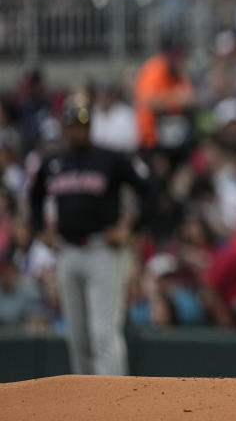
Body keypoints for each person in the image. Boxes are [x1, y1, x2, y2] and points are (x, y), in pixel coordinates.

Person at [28, 95, 153, 375]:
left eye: (83, 124)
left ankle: (114, 406)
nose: (77, 130)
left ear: (91, 126)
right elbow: (35, 196)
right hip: (67, 250)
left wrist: (131, 229)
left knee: (102, 335)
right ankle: (85, 408)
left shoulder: (108, 158)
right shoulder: (53, 162)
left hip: (103, 251)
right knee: (77, 337)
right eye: (72, 124)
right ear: (63, 127)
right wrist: (39, 229)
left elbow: (148, 190)